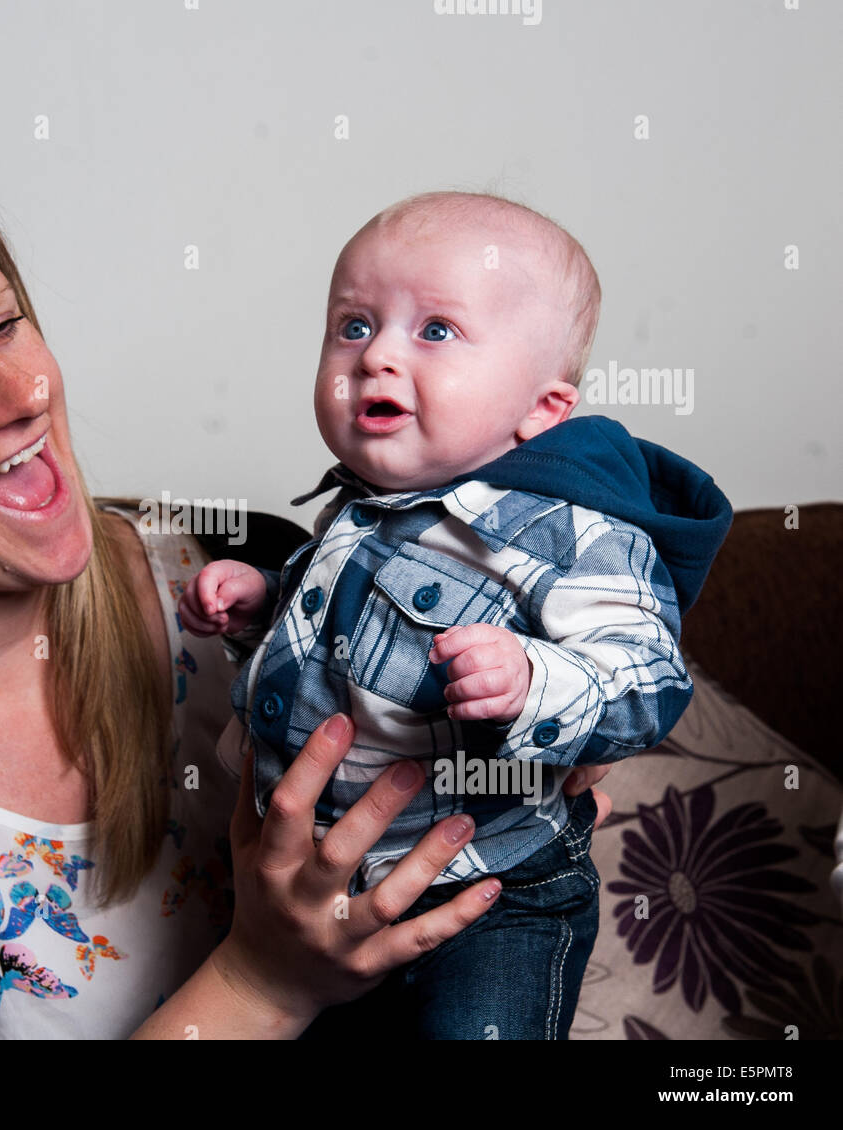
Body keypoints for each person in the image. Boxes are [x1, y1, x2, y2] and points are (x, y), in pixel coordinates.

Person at [0, 160, 610, 1040]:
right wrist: (260, 983)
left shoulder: (259, 575)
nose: (23, 393)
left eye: (6, 322)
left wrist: (523, 784)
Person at [181, 192, 730, 1039]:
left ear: (542, 409)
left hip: (494, 898)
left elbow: (648, 678)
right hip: (325, 898)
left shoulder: (575, 531)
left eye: (436, 331)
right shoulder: (367, 508)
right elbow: (342, 647)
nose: (377, 359)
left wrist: (532, 680)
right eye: (354, 326)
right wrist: (264, 601)